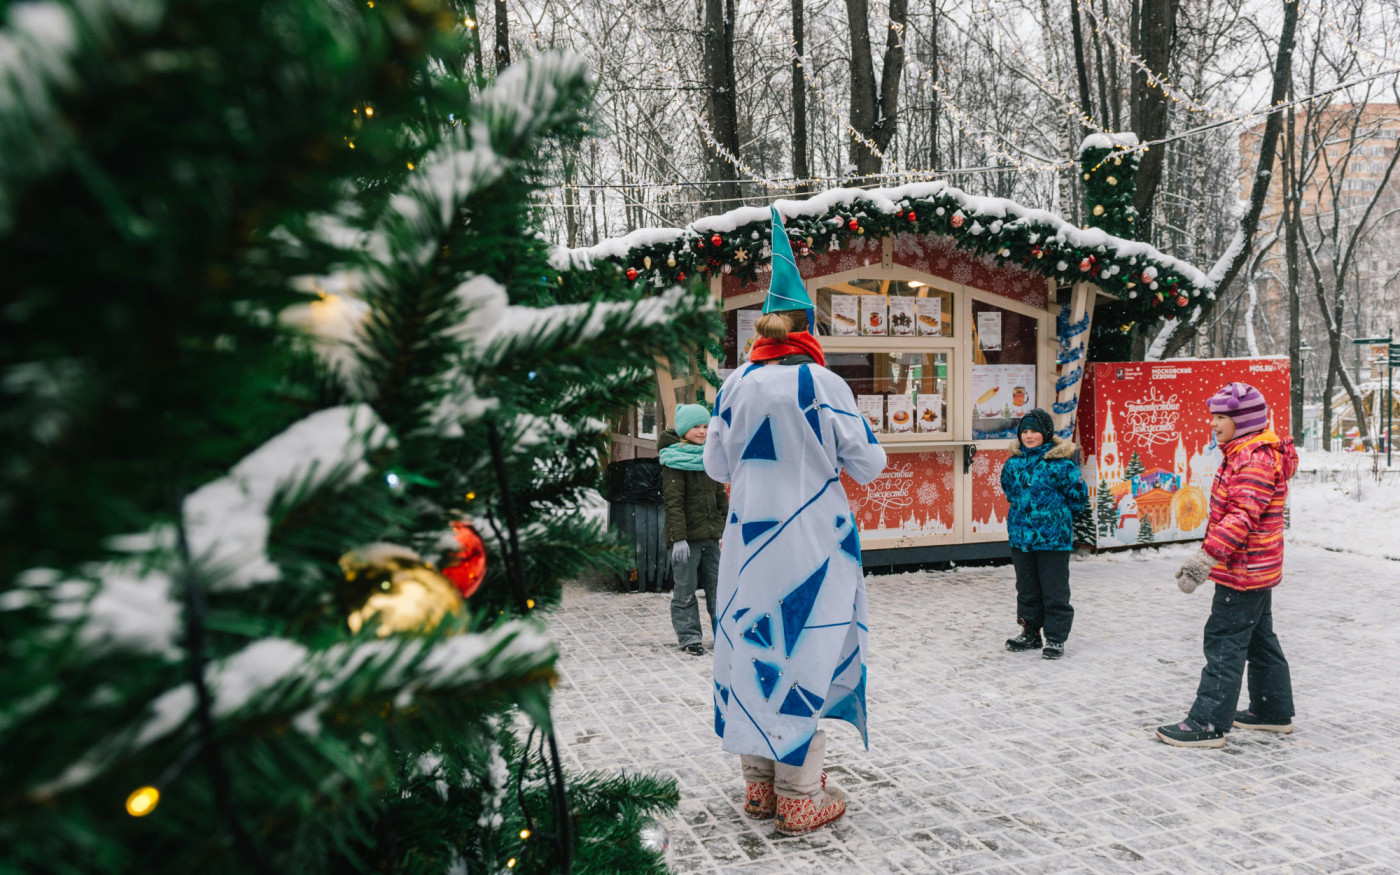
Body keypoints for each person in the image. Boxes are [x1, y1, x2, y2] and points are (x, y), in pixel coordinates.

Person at [704, 207, 886, 837]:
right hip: (813, 543)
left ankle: (758, 786)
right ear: (807, 326)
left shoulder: (736, 385)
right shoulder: (823, 383)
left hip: (748, 542)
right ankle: (801, 792)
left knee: (751, 643)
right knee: (803, 648)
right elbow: (868, 464)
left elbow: (714, 461)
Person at [1157, 382, 1298, 748]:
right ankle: (1272, 711)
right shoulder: (1249, 452)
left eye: (1222, 417)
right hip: (1256, 568)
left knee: (1224, 641)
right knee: (1259, 639)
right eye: (1214, 417)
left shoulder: (1252, 458)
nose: (1214, 424)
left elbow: (1240, 517)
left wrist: (1204, 559)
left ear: (1244, 420)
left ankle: (1207, 723)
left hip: (1243, 570)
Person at [1000, 407, 1089, 660]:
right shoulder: (1013, 464)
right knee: (1027, 587)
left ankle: (1055, 638)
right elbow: (1009, 491)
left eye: (1034, 431)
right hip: (1021, 536)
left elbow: (1078, 497)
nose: (1028, 436)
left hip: (1053, 539)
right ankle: (1029, 632)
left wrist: (1054, 517)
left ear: (1046, 433)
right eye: (1024, 431)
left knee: (1054, 589)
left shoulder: (1060, 464)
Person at [660, 403, 727, 655]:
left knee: (717, 588)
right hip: (686, 541)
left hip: (711, 536)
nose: (702, 431)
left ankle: (725, 635)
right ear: (683, 429)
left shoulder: (709, 456)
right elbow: (673, 503)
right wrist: (678, 538)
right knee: (685, 589)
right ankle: (689, 637)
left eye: (705, 426)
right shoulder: (674, 461)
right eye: (696, 427)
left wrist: (727, 526)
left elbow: (720, 495)